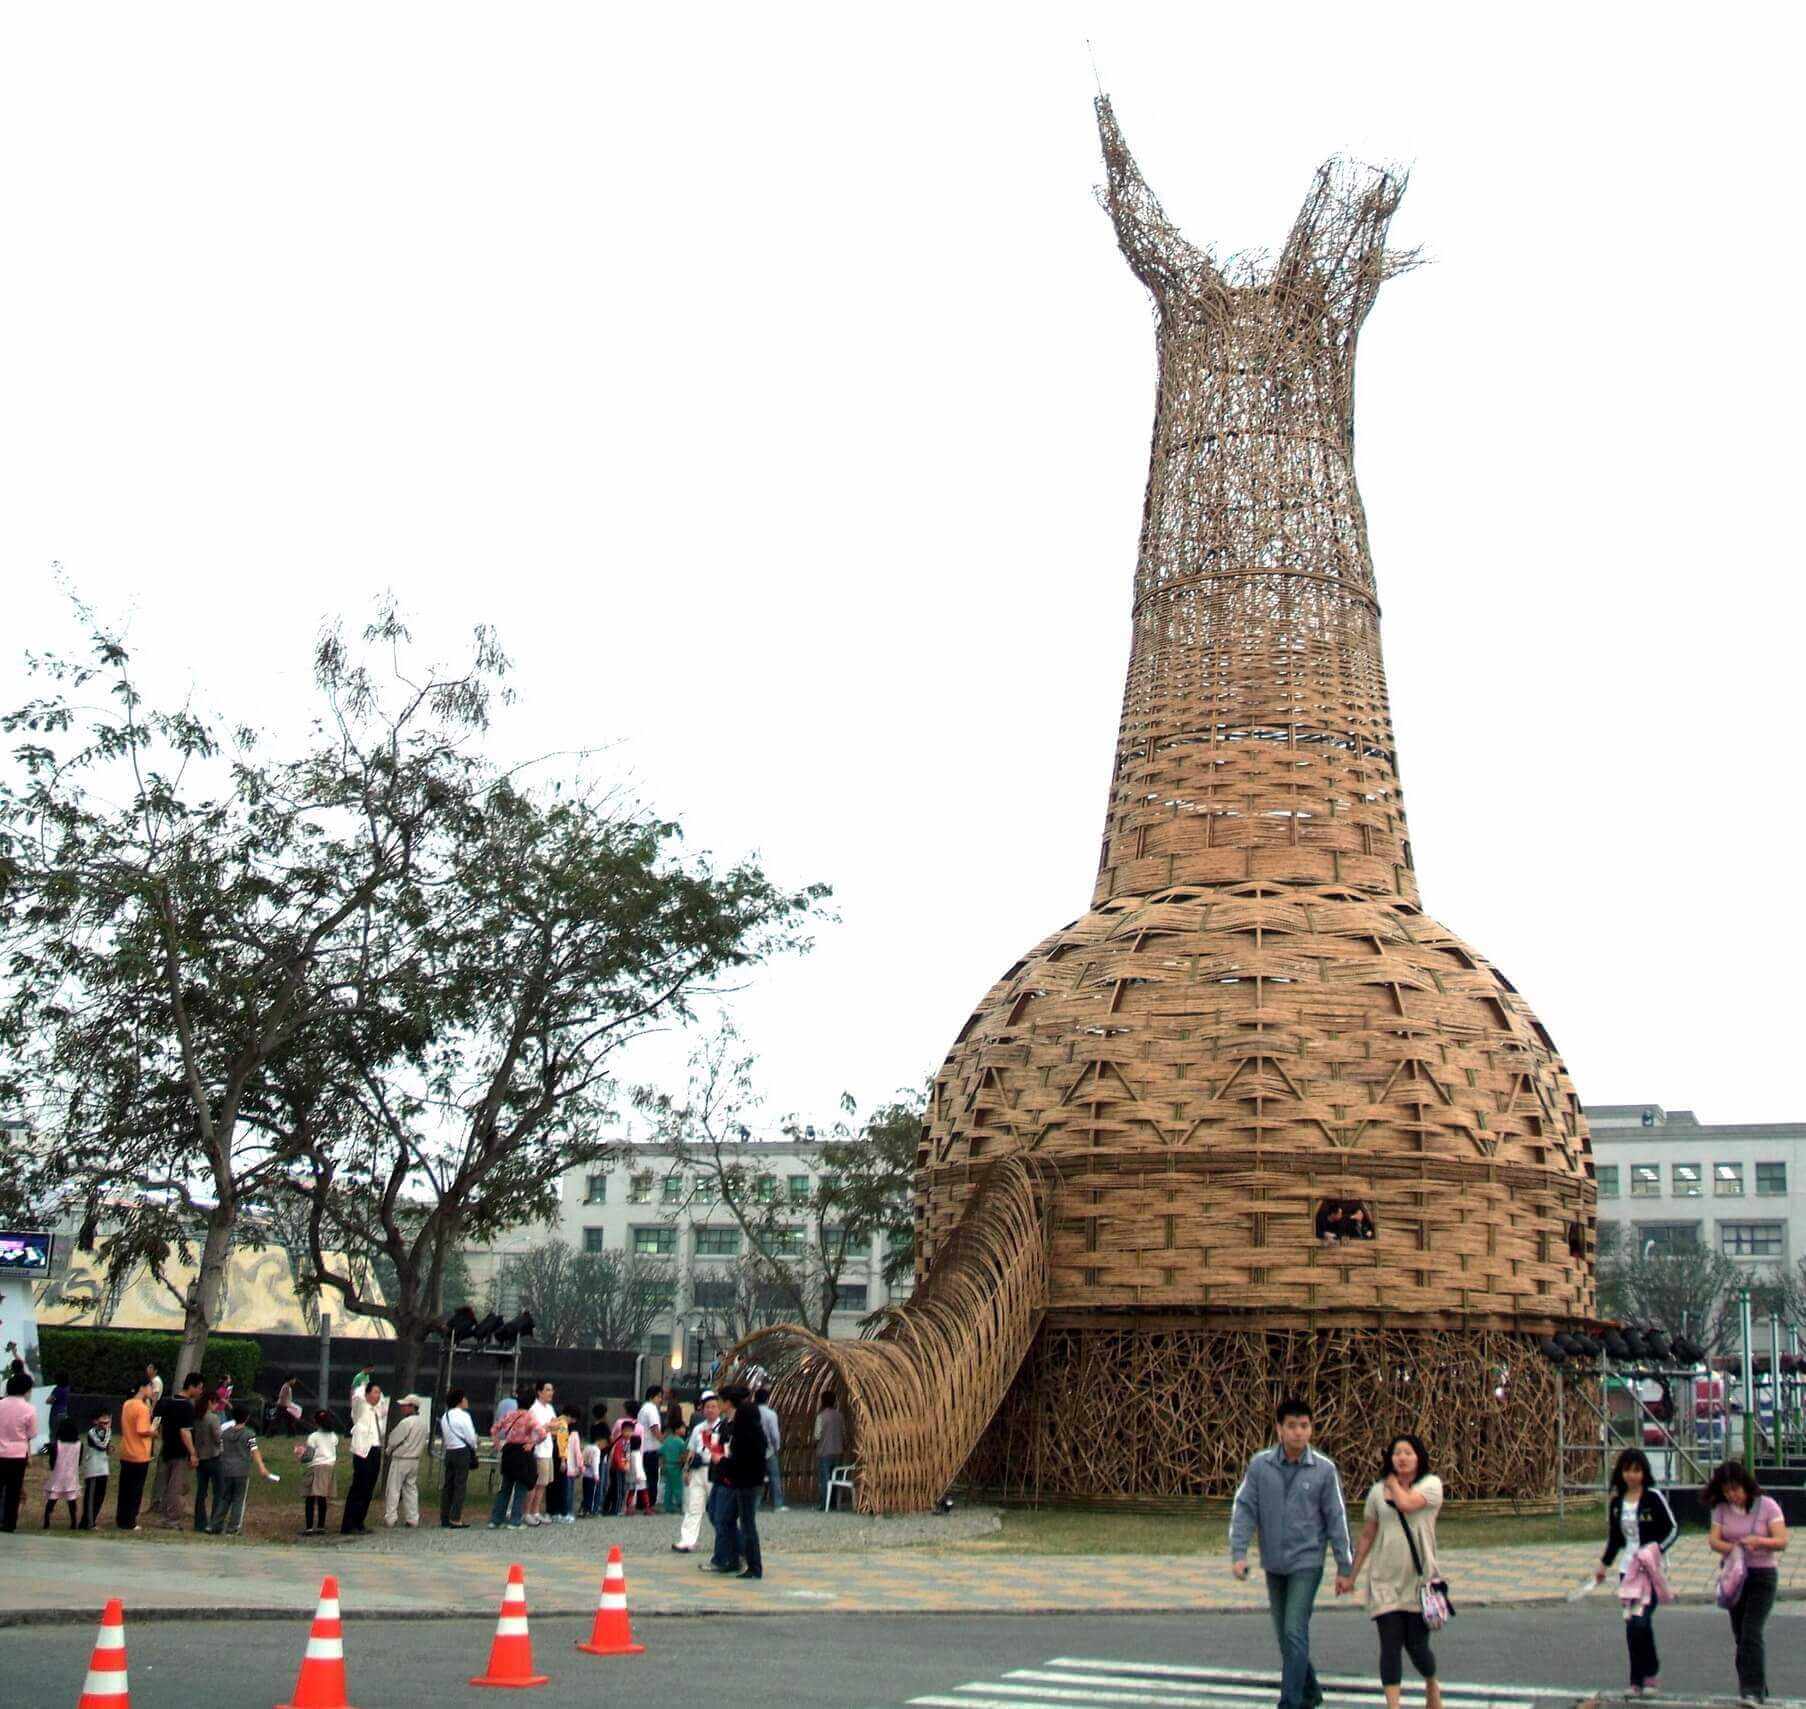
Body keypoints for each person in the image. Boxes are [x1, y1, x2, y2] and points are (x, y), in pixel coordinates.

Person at [1230, 1396, 1355, 1709]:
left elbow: (1336, 1518)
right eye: (1291, 1426)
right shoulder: (1261, 1465)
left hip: (1307, 1563)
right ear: (1279, 1429)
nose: (1298, 1432)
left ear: (1311, 1429)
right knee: (1285, 1636)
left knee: (1294, 1630)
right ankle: (1310, 1691)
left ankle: (1290, 1702)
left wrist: (1345, 1567)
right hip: (1274, 1562)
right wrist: (1239, 1553)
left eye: (1304, 1425)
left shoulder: (1323, 1470)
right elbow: (1245, 1508)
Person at [1347, 1435, 1444, 1709]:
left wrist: (1392, 1484)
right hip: (1384, 1580)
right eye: (1397, 1453)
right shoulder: (1377, 1492)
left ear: (1419, 1457)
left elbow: (1406, 1504)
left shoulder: (1431, 1485)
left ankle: (1431, 1682)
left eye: (1408, 1452)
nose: (1401, 1458)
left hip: (1420, 1581)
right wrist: (1351, 1575)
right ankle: (1393, 1705)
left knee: (1417, 1647)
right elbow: (1367, 1535)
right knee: (1390, 1645)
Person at [1593, 1447, 1680, 1695]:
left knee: (1642, 1622)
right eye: (1627, 1470)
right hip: (1627, 1573)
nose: (1632, 1475)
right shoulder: (1617, 1503)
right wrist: (1603, 1565)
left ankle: (1650, 1673)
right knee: (1632, 1626)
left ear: (1644, 1473)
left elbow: (1673, 1529)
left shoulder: (1653, 1498)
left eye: (1637, 1470)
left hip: (1650, 1571)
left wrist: (1655, 1550)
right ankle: (1636, 1681)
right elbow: (1615, 1539)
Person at [1706, 1460, 1788, 1705]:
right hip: (1735, 1576)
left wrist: (1759, 1541)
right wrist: (1734, 1548)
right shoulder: (1721, 1509)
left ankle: (1752, 1691)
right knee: (1741, 1636)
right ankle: (1755, 1688)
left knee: (1752, 1632)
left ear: (1745, 1485)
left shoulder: (1767, 1506)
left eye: (1736, 1489)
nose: (1732, 1495)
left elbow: (1781, 1540)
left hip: (1762, 1575)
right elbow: (1714, 1540)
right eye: (1727, 1491)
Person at [720, 1382, 767, 1579]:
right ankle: (735, 1559)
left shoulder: (745, 1430)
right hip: (746, 1480)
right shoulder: (752, 1429)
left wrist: (722, 1462)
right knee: (727, 1519)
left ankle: (754, 1566)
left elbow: (741, 1458)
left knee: (747, 1524)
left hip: (746, 1482)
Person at [211, 1403, 277, 1535]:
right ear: (247, 1417)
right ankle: (233, 1527)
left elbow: (221, 1449)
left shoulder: (225, 1433)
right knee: (238, 1500)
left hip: (226, 1469)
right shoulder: (249, 1434)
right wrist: (262, 1467)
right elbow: (254, 1450)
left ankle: (215, 1525)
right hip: (241, 1470)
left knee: (224, 1499)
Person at [489, 1386, 548, 1531]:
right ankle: (515, 1520)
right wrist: (532, 1443)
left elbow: (494, 1429)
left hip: (508, 1451)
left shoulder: (510, 1415)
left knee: (505, 1488)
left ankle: (496, 1520)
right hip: (522, 1452)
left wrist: (497, 1443)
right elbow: (542, 1433)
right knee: (521, 1488)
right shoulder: (530, 1417)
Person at [154, 1372, 203, 1529]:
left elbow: (157, 1424)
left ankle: (164, 1515)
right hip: (180, 1451)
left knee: (167, 1485)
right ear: (192, 1386)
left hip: (166, 1448)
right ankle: (172, 1520)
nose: (200, 1391)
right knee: (176, 1487)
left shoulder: (167, 1402)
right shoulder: (186, 1406)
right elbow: (185, 1431)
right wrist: (193, 1453)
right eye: (199, 1388)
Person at [704, 1391, 744, 1573]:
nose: (718, 1404)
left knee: (722, 1518)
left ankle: (723, 1558)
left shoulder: (738, 1425)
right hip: (720, 1475)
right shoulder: (724, 1424)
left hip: (730, 1477)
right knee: (714, 1513)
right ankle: (737, 1553)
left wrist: (720, 1454)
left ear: (728, 1403)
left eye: (719, 1401)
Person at [340, 1378, 387, 1535]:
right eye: (375, 1392)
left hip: (375, 1449)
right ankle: (348, 1524)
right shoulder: (361, 1407)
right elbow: (357, 1395)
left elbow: (382, 1406)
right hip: (362, 1451)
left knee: (368, 1488)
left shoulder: (377, 1411)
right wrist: (365, 1384)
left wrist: (379, 1397)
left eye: (379, 1392)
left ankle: (359, 1521)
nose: (378, 1395)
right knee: (359, 1487)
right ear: (367, 1394)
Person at [676, 1393, 719, 1553]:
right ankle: (687, 1540)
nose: (710, 1410)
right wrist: (686, 1469)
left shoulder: (723, 1427)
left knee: (718, 1508)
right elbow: (691, 1451)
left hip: (715, 1470)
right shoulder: (698, 1428)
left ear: (719, 1408)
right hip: (698, 1470)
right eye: (707, 1407)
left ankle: (724, 1541)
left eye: (713, 1407)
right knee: (693, 1506)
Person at [115, 1374, 155, 1531]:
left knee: (125, 1488)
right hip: (140, 1454)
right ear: (143, 1388)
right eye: (150, 1386)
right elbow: (142, 1430)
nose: (152, 1390)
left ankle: (121, 1518)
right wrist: (153, 1432)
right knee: (136, 1489)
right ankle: (130, 1520)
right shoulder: (142, 1408)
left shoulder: (127, 1404)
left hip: (126, 1451)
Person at [382, 1395, 428, 1528]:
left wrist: (389, 1449)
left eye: (405, 1405)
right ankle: (413, 1518)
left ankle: (390, 1518)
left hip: (401, 1459)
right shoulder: (423, 1423)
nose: (402, 1408)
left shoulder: (406, 1422)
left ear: (412, 1407)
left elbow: (394, 1439)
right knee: (411, 1489)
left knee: (393, 1489)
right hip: (415, 1460)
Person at [438, 1387, 479, 1529]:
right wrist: (474, 1446)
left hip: (449, 1450)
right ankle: (455, 1518)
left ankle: (444, 1517)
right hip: (462, 1451)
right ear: (460, 1400)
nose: (466, 1400)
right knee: (460, 1486)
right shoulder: (464, 1416)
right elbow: (470, 1436)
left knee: (448, 1485)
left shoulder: (446, 1416)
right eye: (464, 1398)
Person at [0, 1371, 35, 1531]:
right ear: (25, 1390)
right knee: (13, 1492)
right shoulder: (29, 1409)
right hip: (18, 1455)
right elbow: (31, 1434)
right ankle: (9, 1524)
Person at [297, 1409, 339, 1535]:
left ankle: (309, 1527)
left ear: (315, 1422)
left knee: (310, 1498)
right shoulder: (334, 1436)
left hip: (316, 1468)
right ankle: (321, 1526)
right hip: (329, 1468)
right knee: (322, 1498)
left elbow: (309, 1456)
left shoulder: (313, 1437)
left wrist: (300, 1455)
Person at [524, 1380, 557, 1527]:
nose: (551, 1392)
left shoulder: (550, 1408)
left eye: (551, 1390)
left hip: (548, 1449)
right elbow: (535, 1429)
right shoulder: (534, 1409)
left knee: (543, 1483)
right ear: (539, 1392)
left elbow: (555, 1426)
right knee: (534, 1483)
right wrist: (548, 1426)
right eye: (547, 1390)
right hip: (538, 1450)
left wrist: (552, 1427)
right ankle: (527, 1512)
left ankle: (536, 1511)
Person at [191, 1390, 223, 1532]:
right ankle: (215, 1522)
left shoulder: (197, 1417)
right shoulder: (213, 1418)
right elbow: (217, 1437)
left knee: (201, 1492)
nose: (216, 1406)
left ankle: (199, 1522)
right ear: (210, 1402)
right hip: (213, 1456)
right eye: (215, 1403)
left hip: (200, 1457)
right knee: (219, 1491)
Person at [43, 1413, 82, 1527]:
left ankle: (46, 1520)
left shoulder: (56, 1445)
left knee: (52, 1499)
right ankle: (73, 1522)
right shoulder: (79, 1444)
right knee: (71, 1501)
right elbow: (79, 1461)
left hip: (58, 1476)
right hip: (72, 1476)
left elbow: (51, 1460)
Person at [81, 1407, 113, 1530]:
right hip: (93, 1469)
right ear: (95, 1421)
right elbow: (102, 1445)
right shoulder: (92, 1432)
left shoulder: (106, 1432)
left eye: (107, 1418)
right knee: (91, 1496)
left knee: (100, 1495)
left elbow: (107, 1448)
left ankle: (93, 1519)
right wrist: (108, 1431)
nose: (106, 1420)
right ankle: (87, 1523)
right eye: (103, 1418)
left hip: (103, 1468)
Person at [756, 1386, 786, 1511]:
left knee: (756, 1477)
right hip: (768, 1450)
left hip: (754, 1450)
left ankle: (755, 1504)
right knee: (774, 1477)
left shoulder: (752, 1413)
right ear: (767, 1399)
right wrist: (776, 1447)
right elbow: (775, 1434)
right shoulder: (771, 1414)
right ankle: (777, 1504)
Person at [815, 1391, 845, 1509]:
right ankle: (833, 1503)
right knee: (836, 1478)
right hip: (838, 1451)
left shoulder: (821, 1416)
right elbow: (843, 1433)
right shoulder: (840, 1416)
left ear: (822, 1401)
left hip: (824, 1452)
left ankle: (824, 1504)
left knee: (825, 1479)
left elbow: (817, 1435)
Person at [637, 1384, 665, 1510]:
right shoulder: (652, 1409)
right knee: (652, 1478)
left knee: (643, 1479)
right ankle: (650, 1504)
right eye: (659, 1397)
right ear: (651, 1397)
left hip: (642, 1449)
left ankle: (641, 1503)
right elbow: (654, 1428)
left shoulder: (643, 1409)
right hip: (651, 1449)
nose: (660, 1400)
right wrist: (663, 1441)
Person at [659, 1408, 687, 1513]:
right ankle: (680, 1505)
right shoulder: (680, 1442)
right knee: (678, 1486)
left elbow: (661, 1451)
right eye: (683, 1428)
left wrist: (662, 1463)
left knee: (669, 1487)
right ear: (677, 1430)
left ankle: (668, 1506)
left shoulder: (667, 1440)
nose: (684, 1430)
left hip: (667, 1465)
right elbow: (684, 1454)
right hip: (676, 1466)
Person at [561, 1405, 583, 1524]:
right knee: (569, 1492)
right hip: (571, 1467)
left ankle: (562, 1512)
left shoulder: (560, 1429)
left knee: (562, 1491)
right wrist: (581, 1467)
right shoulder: (574, 1434)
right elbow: (577, 1452)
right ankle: (568, 1513)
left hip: (562, 1464)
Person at [581, 1430, 603, 1518]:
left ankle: (584, 1509)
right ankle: (592, 1510)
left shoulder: (586, 1447)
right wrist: (596, 1474)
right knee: (593, 1494)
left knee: (586, 1494)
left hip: (585, 1474)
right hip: (592, 1475)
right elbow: (595, 1463)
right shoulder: (596, 1450)